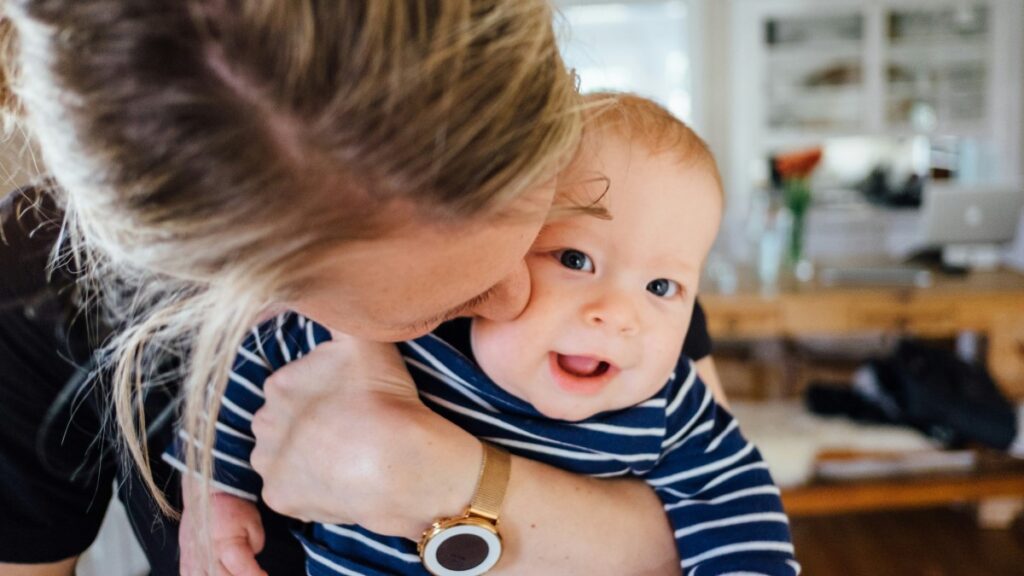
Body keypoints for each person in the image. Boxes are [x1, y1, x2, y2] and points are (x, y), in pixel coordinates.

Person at [0, 2, 720, 574]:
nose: (516, 299)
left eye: (543, 240)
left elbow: (715, 511)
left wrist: (449, 483)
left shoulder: (617, 230)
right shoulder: (32, 295)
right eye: (445, 306)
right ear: (240, 286)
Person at [172, 94, 797, 576]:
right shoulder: (414, 328)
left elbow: (735, 501)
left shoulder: (668, 404)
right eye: (574, 260)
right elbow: (253, 362)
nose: (617, 312)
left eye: (661, 288)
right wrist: (216, 494)